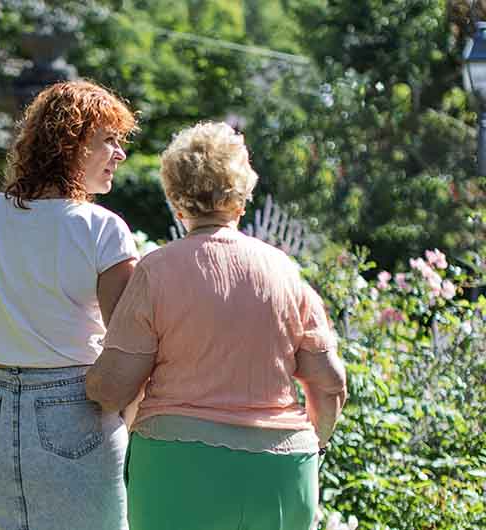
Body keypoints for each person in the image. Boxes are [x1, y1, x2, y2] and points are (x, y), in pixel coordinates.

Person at [86, 121, 347, 530]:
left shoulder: (157, 270)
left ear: (177, 202)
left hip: (176, 463)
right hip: (281, 467)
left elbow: (114, 386)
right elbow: (329, 381)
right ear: (242, 200)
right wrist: (318, 441)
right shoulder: (283, 269)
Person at [0, 80, 138, 530]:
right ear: (71, 143)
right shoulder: (103, 230)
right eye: (108, 140)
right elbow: (129, 351)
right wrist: (128, 427)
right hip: (77, 410)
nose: (119, 155)